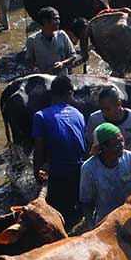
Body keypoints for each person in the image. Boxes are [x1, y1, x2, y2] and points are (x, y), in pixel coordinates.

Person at [32, 74, 89, 227]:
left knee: (54, 217)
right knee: (74, 215)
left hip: (58, 172)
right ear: (70, 93)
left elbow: (39, 148)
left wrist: (37, 172)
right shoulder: (79, 114)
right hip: (79, 171)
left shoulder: (40, 116)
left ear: (52, 93)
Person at [79, 123, 131, 227]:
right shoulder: (89, 168)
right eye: (115, 143)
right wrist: (91, 226)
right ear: (103, 147)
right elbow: (86, 202)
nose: (121, 145)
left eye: (121, 140)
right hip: (106, 221)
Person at [85, 87, 131, 157]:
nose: (104, 113)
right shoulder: (95, 119)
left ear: (119, 103)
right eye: (101, 109)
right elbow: (90, 145)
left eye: (107, 109)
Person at [24, 7, 78, 74]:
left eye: (58, 19)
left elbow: (73, 56)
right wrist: (35, 68)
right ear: (45, 21)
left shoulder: (62, 35)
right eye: (55, 19)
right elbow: (28, 60)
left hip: (61, 78)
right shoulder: (32, 40)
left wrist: (62, 63)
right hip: (43, 80)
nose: (58, 22)